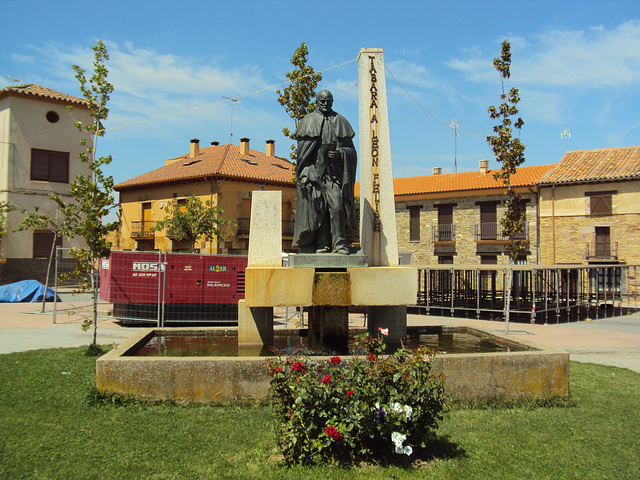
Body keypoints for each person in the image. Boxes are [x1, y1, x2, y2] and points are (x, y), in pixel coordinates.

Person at [293, 90, 358, 254]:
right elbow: (302, 156)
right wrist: (304, 174)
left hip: (333, 175)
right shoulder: (308, 121)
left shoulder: (341, 121)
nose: (325, 104)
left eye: (328, 101)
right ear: (317, 102)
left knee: (336, 207)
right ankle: (322, 243)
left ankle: (340, 243)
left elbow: (351, 151)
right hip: (314, 173)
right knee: (318, 209)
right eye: (322, 101)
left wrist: (341, 154)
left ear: (332, 101)